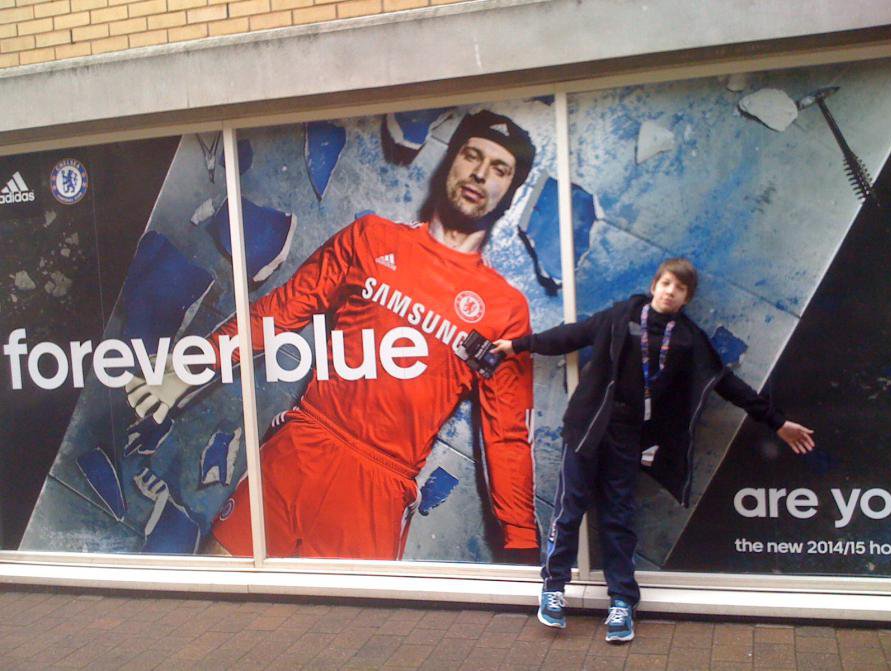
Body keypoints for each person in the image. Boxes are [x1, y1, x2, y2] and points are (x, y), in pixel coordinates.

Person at [125, 110, 541, 561]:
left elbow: (506, 437)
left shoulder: (504, 310)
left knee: (335, 612)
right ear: (451, 160)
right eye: (472, 155)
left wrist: (522, 545)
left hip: (378, 491)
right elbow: (282, 310)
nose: (480, 173)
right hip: (301, 450)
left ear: (509, 191)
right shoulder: (372, 238)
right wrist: (195, 364)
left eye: (499, 169)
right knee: (215, 590)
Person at [492, 258, 814, 641]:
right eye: (666, 283)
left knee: (618, 519)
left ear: (686, 298)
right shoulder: (621, 316)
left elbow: (727, 383)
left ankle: (622, 603)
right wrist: (517, 346)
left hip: (630, 437)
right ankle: (553, 589)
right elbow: (571, 335)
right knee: (568, 511)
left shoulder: (687, 339)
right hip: (587, 428)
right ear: (654, 285)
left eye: (679, 288)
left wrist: (776, 422)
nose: (670, 292)